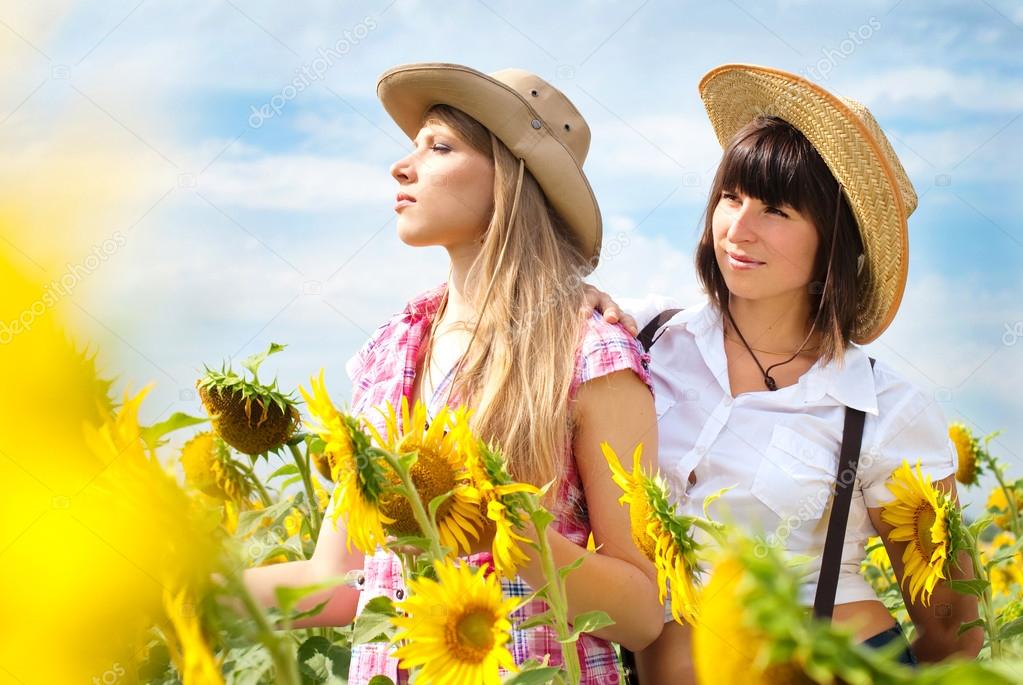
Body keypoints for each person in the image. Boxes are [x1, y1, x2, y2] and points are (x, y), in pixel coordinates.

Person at [243, 62, 663, 684]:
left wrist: (515, 535)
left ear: (514, 181)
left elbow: (642, 613)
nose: (402, 167)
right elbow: (337, 581)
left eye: (439, 146)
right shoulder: (389, 352)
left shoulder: (589, 355)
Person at [590, 64, 982, 683]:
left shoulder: (884, 410)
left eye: (776, 210)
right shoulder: (641, 337)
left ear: (834, 239)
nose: (738, 229)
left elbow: (950, 628)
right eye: (730, 197)